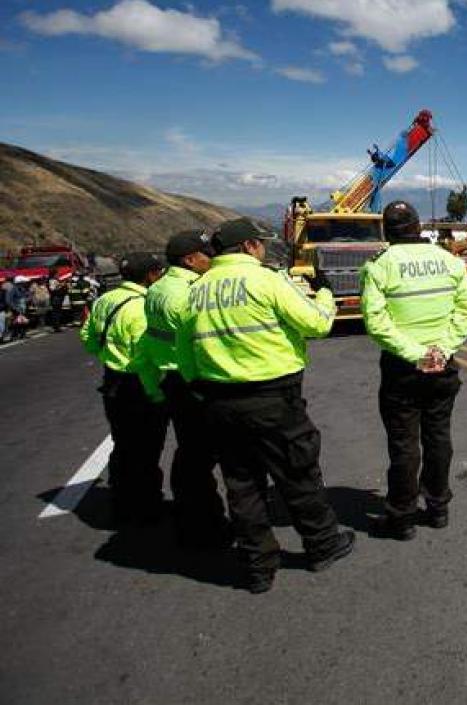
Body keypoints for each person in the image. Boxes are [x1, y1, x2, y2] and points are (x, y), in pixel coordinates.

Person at [178, 218, 352, 593]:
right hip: (274, 398)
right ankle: (323, 545)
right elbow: (317, 325)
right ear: (247, 247)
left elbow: (185, 355)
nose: (262, 250)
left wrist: (204, 391)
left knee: (242, 485)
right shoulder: (266, 280)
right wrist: (323, 293)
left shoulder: (195, 291)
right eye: (259, 244)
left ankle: (259, 566)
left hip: (219, 402)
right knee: (297, 473)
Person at [360, 200, 467, 540]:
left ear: (386, 230)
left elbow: (376, 323)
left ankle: (402, 518)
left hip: (402, 370)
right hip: (443, 366)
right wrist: (441, 350)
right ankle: (438, 509)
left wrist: (415, 354)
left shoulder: (379, 266)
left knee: (404, 444)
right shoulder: (449, 260)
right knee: (438, 437)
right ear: (418, 226)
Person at [144, 231, 231, 549]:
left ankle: (193, 520)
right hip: (189, 381)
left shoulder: (158, 289)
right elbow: (199, 340)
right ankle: (204, 527)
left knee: (190, 455)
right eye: (206, 254)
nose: (211, 259)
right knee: (200, 458)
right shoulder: (186, 293)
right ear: (190, 259)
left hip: (170, 378)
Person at [80, 253, 167, 524]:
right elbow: (144, 358)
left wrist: (108, 356)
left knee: (123, 444)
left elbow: (87, 337)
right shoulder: (142, 306)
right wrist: (155, 393)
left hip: (113, 381)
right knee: (146, 449)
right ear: (151, 275)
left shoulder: (105, 300)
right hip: (138, 386)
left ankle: (121, 500)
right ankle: (146, 507)